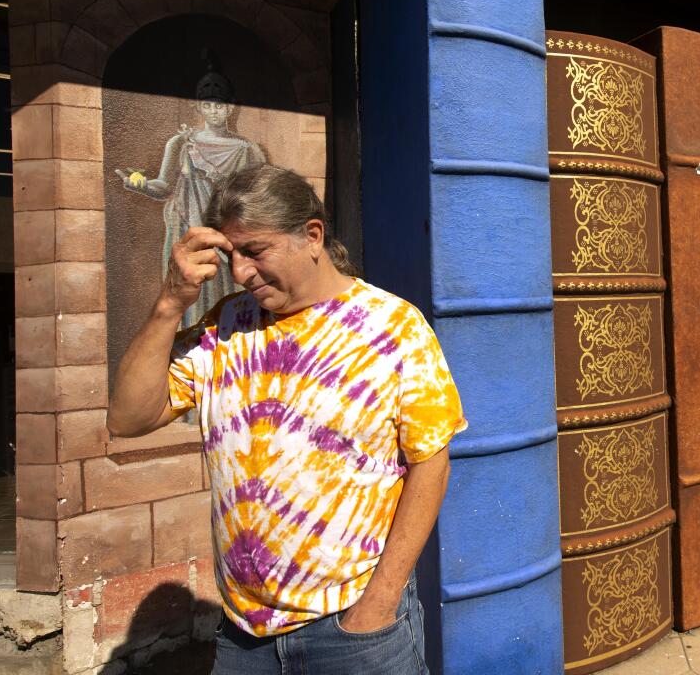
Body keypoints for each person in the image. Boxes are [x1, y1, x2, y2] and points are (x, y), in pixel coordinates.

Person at [107, 165, 466, 674]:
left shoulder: (393, 328)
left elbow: (431, 465)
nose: (240, 273)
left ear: (312, 236)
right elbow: (127, 418)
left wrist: (377, 607)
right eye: (231, 256)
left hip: (353, 630)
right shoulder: (224, 328)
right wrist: (170, 302)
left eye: (255, 251)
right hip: (243, 637)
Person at [115, 56, 266, 328]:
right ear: (199, 107)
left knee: (231, 296)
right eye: (207, 105)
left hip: (229, 235)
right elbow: (164, 187)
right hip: (188, 227)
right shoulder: (181, 143)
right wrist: (141, 185)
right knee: (191, 296)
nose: (213, 111)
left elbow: (262, 196)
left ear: (231, 108)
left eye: (219, 105)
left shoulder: (247, 150)